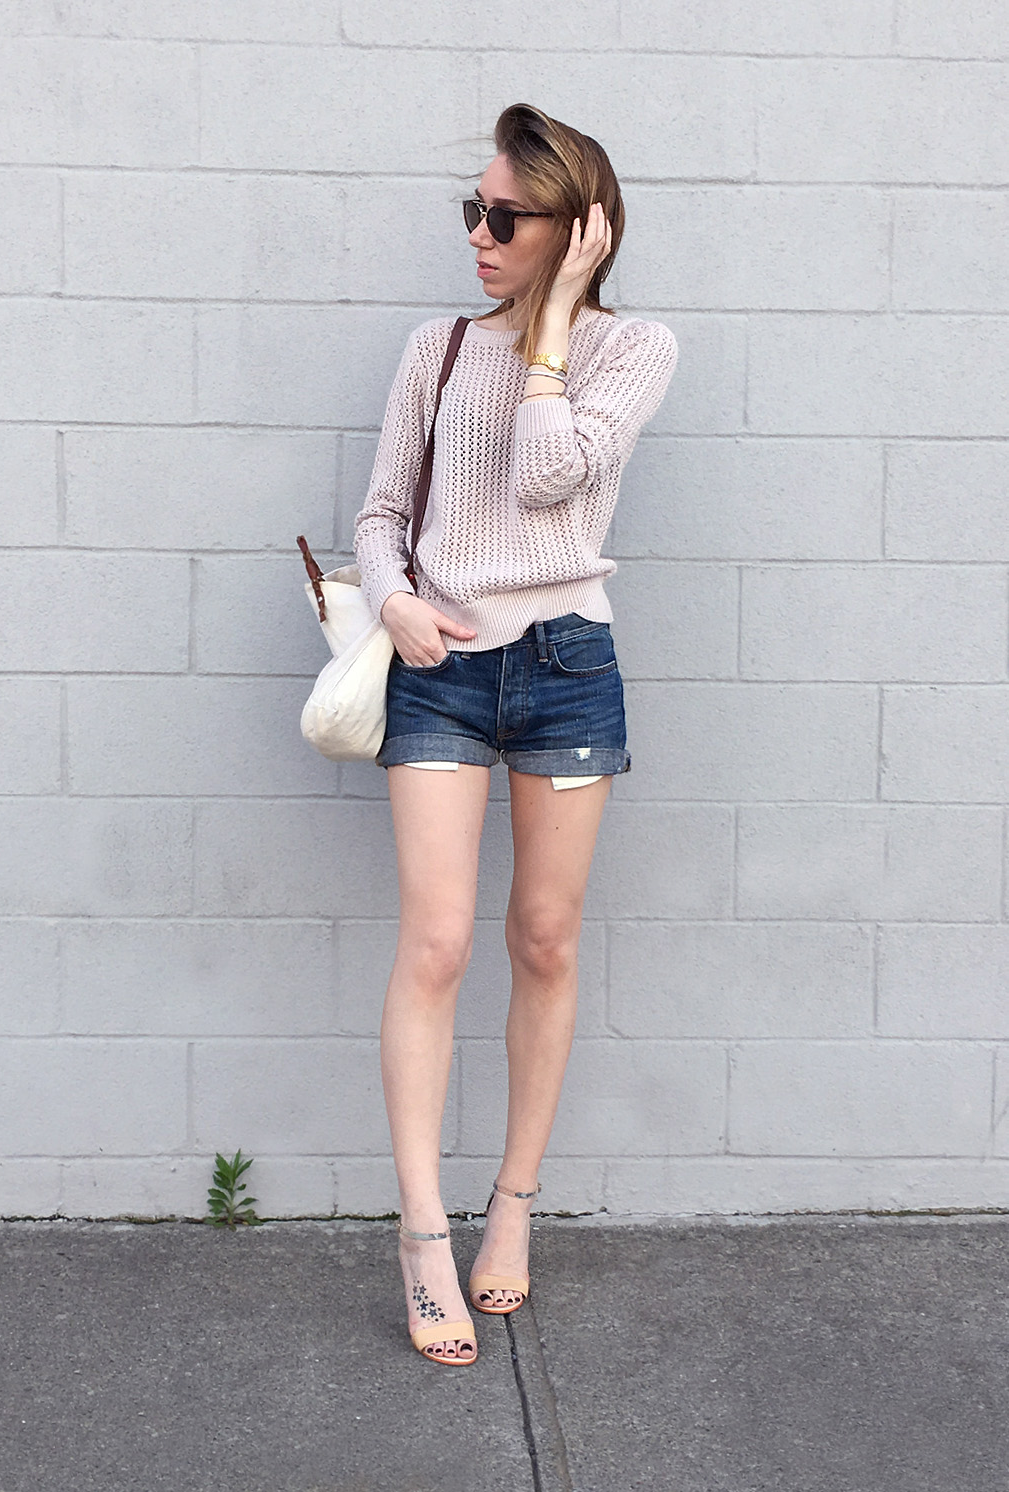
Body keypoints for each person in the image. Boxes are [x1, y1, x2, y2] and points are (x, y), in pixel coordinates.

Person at [353, 103, 678, 1365]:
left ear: (579, 229)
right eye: (472, 212)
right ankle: (422, 1232)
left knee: (542, 938)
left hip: (565, 663)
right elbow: (384, 509)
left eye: (507, 217)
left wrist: (548, 333)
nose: (479, 236)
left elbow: (550, 479)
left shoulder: (634, 349)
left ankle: (513, 1207)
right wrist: (393, 600)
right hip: (438, 670)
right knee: (433, 942)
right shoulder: (434, 348)